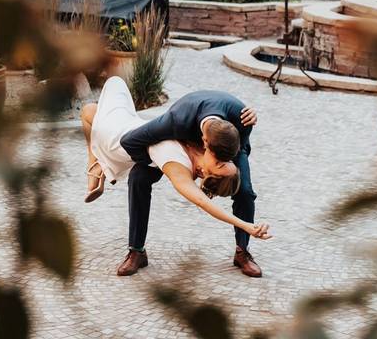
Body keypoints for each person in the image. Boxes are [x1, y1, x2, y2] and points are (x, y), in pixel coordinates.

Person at [80, 78, 270, 277]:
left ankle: (242, 252)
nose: (226, 162)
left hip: (230, 145)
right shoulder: (177, 120)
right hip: (174, 145)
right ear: (204, 143)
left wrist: (248, 226)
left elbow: (241, 149)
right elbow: (130, 141)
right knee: (138, 177)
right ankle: (136, 251)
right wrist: (160, 160)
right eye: (220, 162)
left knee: (245, 191)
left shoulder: (241, 118)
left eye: (225, 161)